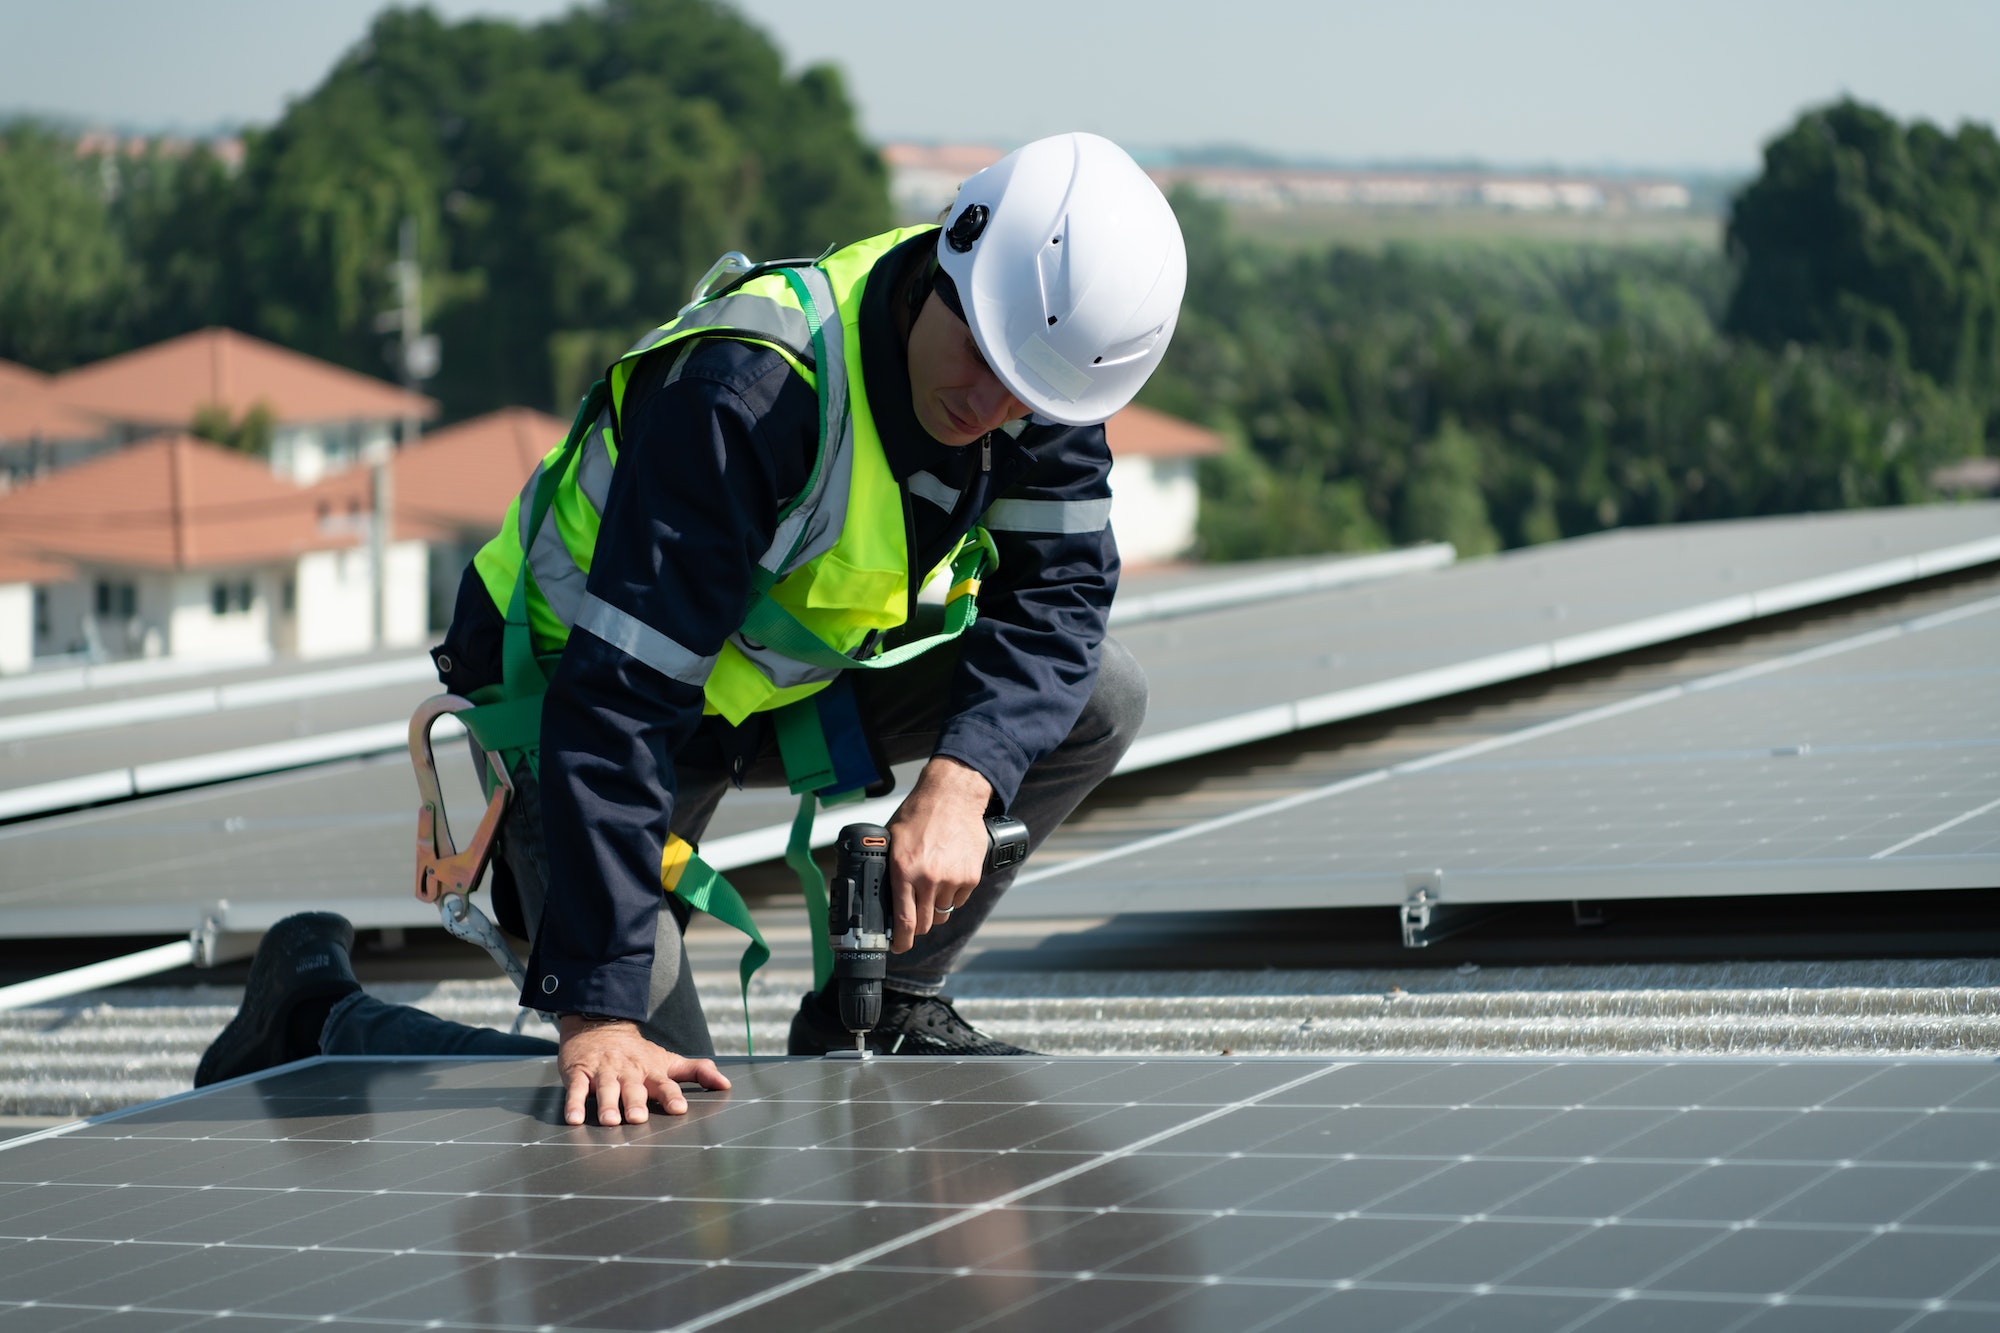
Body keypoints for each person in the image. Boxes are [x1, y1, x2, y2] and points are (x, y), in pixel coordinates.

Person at [197, 132, 1187, 1127]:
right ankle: (313, 1017)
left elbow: (1056, 605)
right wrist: (595, 1007)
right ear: (945, 257)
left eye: (1027, 390)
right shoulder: (752, 392)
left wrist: (960, 785)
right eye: (977, 357)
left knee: (1099, 694)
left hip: (747, 693)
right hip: (574, 702)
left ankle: (888, 1002)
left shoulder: (1036, 365)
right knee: (654, 1102)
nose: (989, 405)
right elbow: (619, 700)